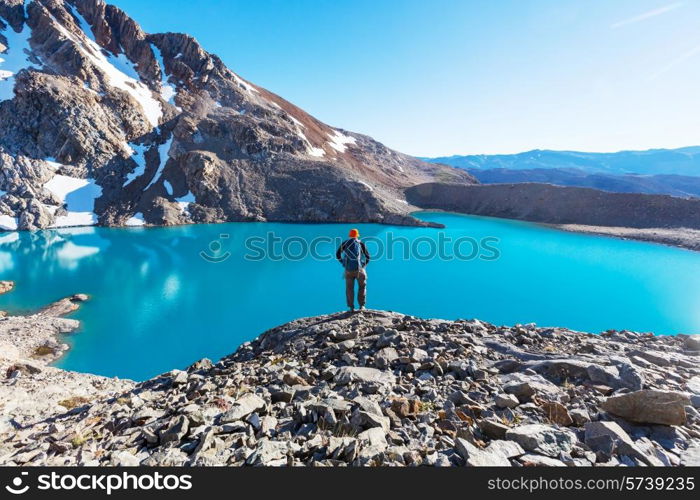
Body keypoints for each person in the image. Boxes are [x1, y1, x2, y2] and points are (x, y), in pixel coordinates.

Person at [336, 228, 371, 312]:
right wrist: (363, 266)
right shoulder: (360, 244)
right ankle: (362, 306)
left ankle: (351, 307)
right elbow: (368, 257)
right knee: (362, 287)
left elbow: (337, 254)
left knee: (349, 288)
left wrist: (343, 263)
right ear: (357, 236)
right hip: (359, 270)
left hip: (348, 270)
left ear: (350, 235)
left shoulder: (345, 243)